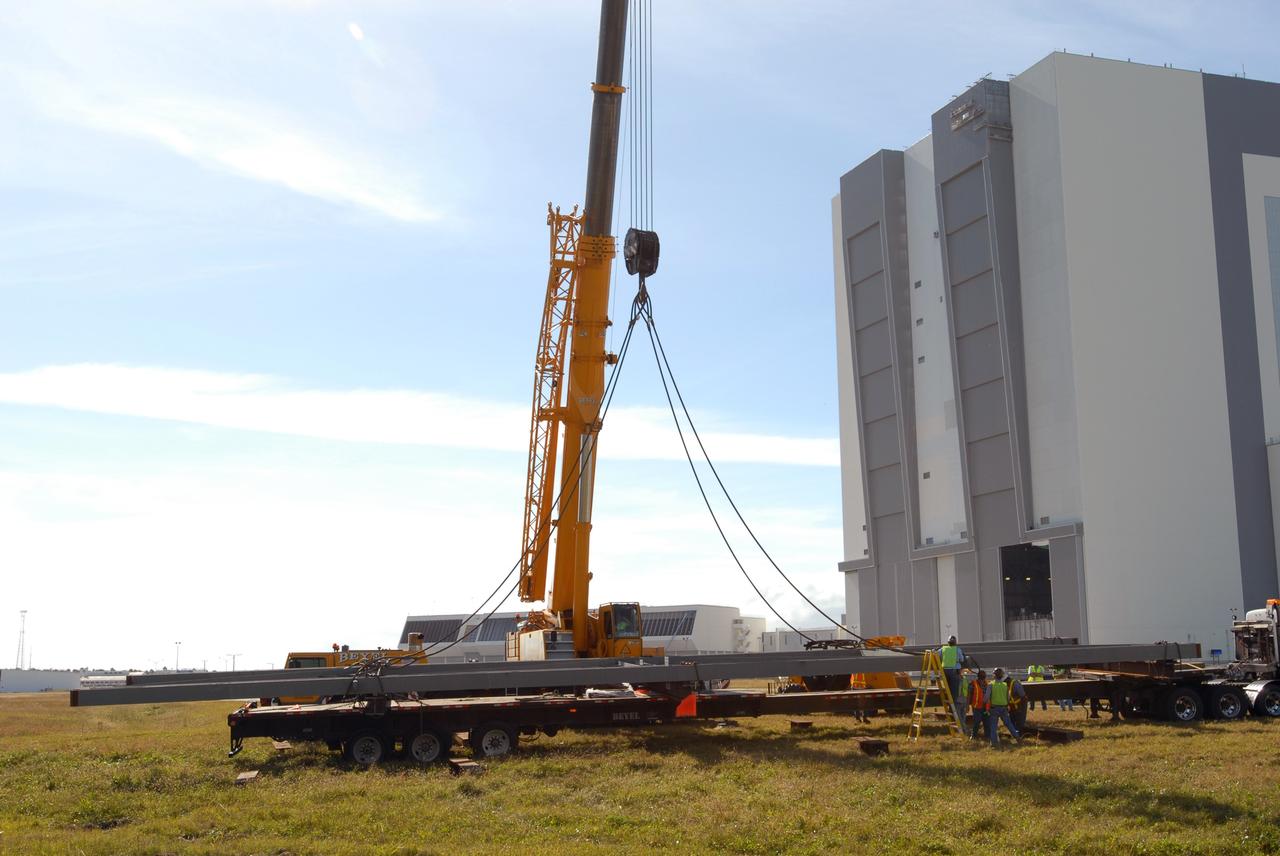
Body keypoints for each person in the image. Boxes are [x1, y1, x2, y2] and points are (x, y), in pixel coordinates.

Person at [984, 667, 1021, 747]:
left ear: (994, 675)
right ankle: (1017, 738)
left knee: (993, 726)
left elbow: (986, 698)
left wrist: (985, 703)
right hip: (1004, 708)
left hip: (994, 708)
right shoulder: (1005, 685)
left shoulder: (991, 685)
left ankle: (994, 743)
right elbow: (1008, 698)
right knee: (1009, 724)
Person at [938, 635, 965, 722]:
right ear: (955, 642)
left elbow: (937, 655)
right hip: (954, 672)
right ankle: (954, 711)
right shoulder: (957, 649)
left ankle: (951, 708)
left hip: (945, 672)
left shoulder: (943, 649)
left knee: (948, 689)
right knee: (955, 692)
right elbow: (962, 660)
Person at [967, 669, 989, 741]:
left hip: (985, 707)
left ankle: (987, 736)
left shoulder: (987, 684)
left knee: (986, 722)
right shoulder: (973, 684)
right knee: (977, 722)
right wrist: (967, 705)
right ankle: (973, 736)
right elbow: (969, 695)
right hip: (977, 707)